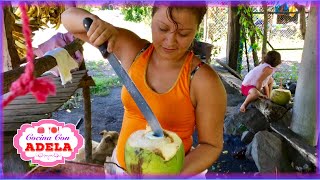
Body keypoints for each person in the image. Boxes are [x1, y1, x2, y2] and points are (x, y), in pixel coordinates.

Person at [61, 3, 227, 177]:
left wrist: (170, 174)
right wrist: (95, 23)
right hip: (121, 168)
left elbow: (211, 145)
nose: (170, 41)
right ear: (151, 18)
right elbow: (68, 19)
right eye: (163, 29)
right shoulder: (135, 51)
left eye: (183, 33)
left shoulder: (204, 81)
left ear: (196, 29)